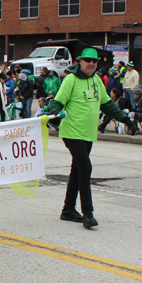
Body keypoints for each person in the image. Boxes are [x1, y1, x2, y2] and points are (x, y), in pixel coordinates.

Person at [48, 48, 136, 229]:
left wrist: (127, 120)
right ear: (80, 61)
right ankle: (88, 214)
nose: (91, 63)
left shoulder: (97, 80)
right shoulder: (71, 79)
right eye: (87, 60)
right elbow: (57, 100)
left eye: (94, 61)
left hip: (88, 134)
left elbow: (108, 105)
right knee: (85, 168)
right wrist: (55, 111)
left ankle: (68, 210)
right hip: (72, 133)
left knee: (77, 170)